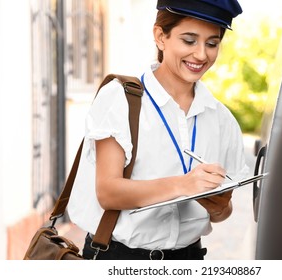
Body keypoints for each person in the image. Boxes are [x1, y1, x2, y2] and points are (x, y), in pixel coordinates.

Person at [68, 0, 249, 260]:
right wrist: (184, 185)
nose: (201, 54)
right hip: (120, 257)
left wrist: (218, 206)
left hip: (189, 258)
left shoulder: (222, 119)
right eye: (189, 40)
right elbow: (107, 192)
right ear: (160, 37)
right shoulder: (120, 99)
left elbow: (223, 213)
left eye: (212, 43)